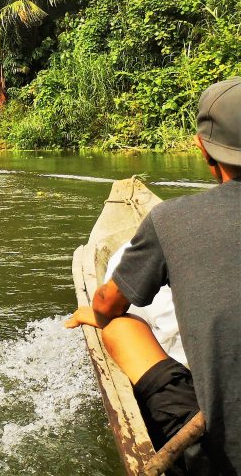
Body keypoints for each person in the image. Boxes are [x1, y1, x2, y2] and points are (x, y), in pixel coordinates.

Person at [65, 78, 241, 474]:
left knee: (119, 328)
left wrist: (98, 312)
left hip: (215, 448)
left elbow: (107, 305)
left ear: (202, 148)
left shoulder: (172, 219)